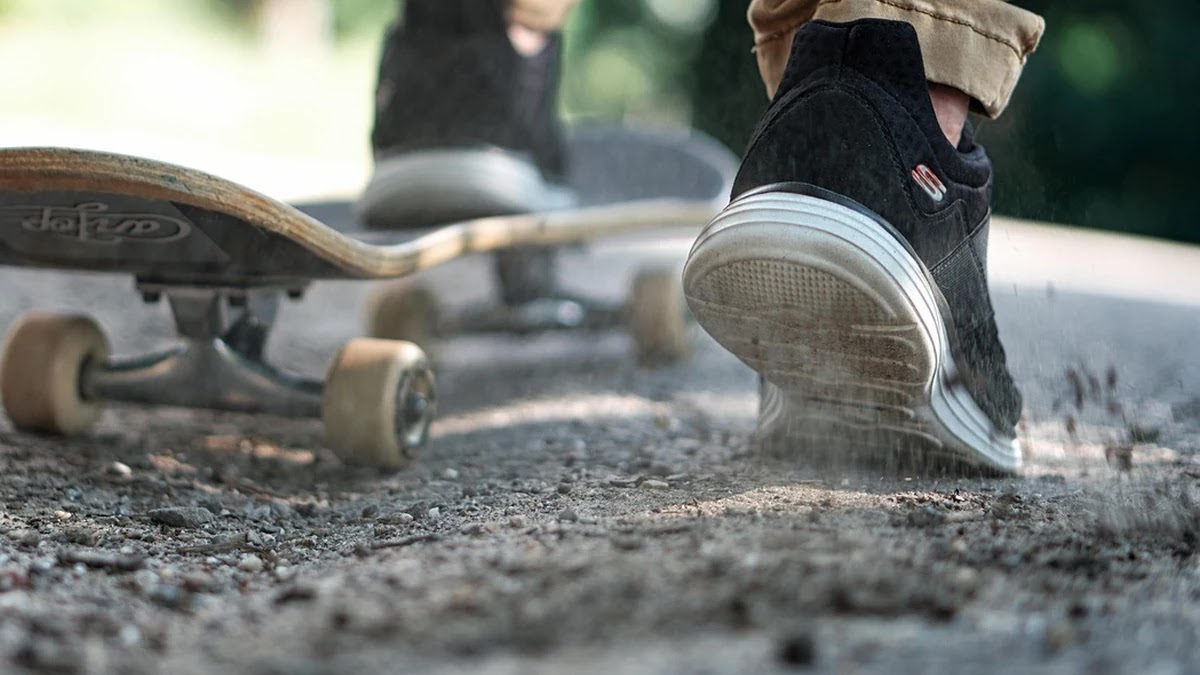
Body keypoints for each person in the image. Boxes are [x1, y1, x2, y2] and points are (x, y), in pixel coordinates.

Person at [363, 0, 1044, 475]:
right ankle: (894, 87)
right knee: (889, 46)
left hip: (429, 93)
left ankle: (459, 67)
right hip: (889, 148)